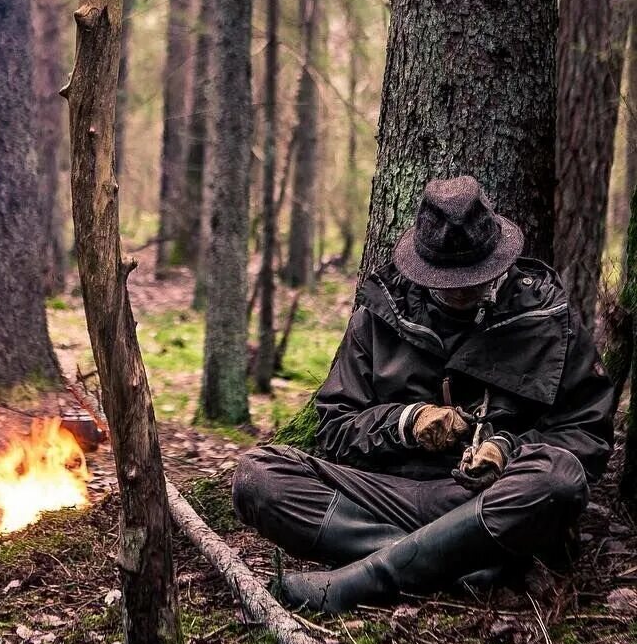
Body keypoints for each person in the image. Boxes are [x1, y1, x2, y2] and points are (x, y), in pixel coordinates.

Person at [232, 175, 615, 612]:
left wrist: (507, 449)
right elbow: (336, 426)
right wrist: (404, 423)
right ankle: (460, 565)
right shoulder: (379, 315)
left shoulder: (548, 318)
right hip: (391, 494)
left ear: (499, 260)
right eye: (447, 280)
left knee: (558, 480)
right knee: (258, 476)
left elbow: (587, 435)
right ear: (422, 267)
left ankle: (366, 578)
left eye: (473, 278)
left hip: (491, 501)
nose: (460, 290)